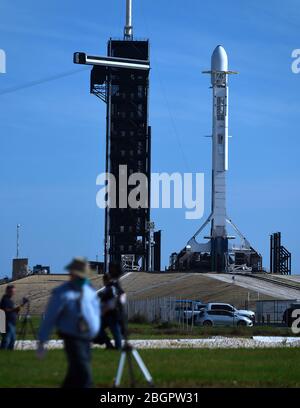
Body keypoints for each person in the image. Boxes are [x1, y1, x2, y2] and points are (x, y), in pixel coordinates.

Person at [37, 257, 100, 388]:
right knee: (85, 374)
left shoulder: (90, 292)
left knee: (74, 375)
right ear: (72, 275)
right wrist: (42, 341)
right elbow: (50, 318)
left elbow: (95, 313)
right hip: (72, 337)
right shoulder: (62, 293)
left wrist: (96, 330)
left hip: (86, 337)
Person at [94, 273, 124, 350]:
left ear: (106, 280)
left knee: (115, 331)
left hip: (112, 314)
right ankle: (109, 344)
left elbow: (113, 301)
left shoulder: (112, 288)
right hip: (107, 314)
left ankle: (117, 348)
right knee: (100, 328)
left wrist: (105, 309)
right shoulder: (109, 288)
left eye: (104, 280)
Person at [0, 285, 27, 350]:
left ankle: (9, 353)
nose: (13, 293)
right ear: (7, 291)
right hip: (7, 322)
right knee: (7, 339)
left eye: (13, 292)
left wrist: (22, 305)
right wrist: (15, 309)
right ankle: (3, 351)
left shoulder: (10, 301)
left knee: (12, 339)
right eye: (11, 291)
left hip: (11, 322)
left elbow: (15, 311)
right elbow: (6, 310)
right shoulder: (5, 300)